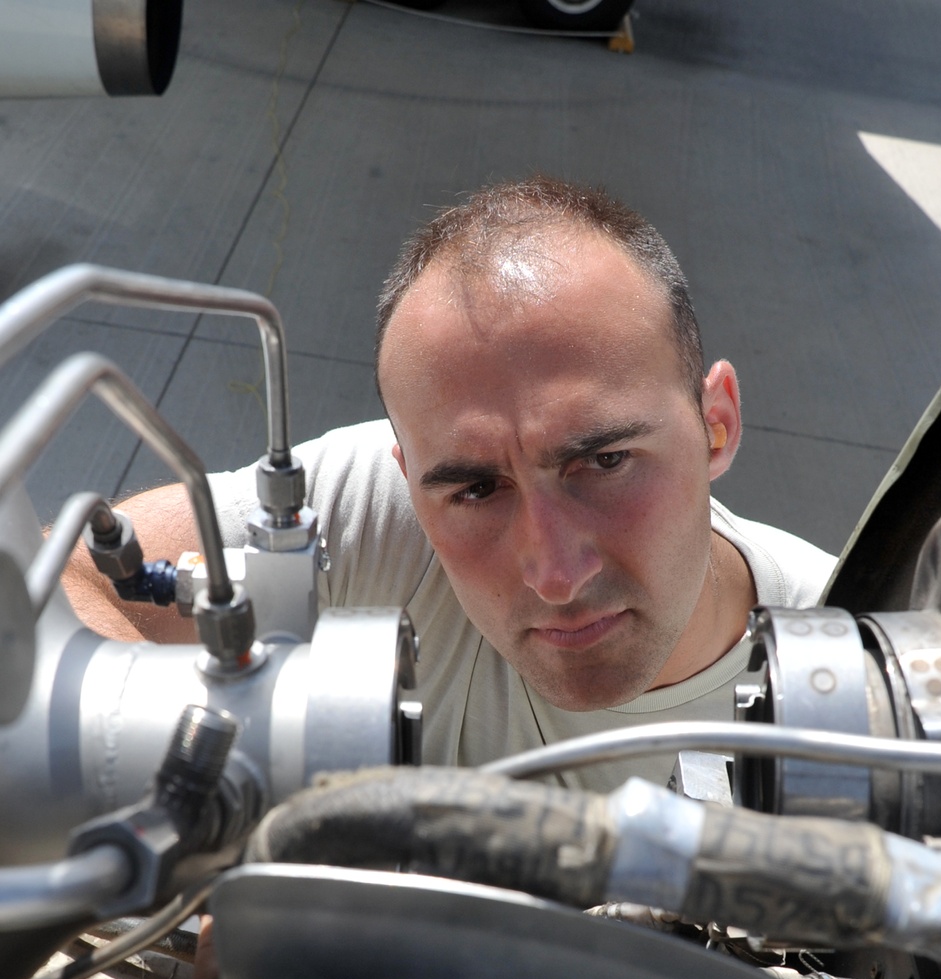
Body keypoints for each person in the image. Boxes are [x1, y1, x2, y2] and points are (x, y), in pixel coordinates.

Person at [66, 177, 835, 790]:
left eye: (603, 463)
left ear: (716, 426)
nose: (557, 574)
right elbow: (74, 575)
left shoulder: (855, 658)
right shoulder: (372, 512)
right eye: (475, 492)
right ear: (410, 480)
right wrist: (210, 790)